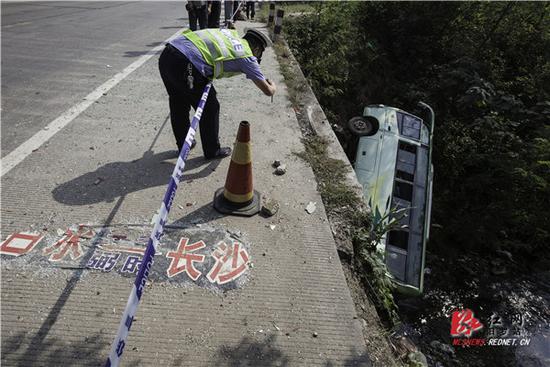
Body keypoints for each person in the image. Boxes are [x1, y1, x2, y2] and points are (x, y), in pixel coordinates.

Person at [158, 28, 276, 159]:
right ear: (257, 49)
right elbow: (268, 91)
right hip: (188, 65)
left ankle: (184, 143)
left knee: (178, 103)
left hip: (167, 54)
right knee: (210, 108)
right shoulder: (246, 56)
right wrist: (273, 86)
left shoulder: (230, 34)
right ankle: (212, 150)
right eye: (260, 53)